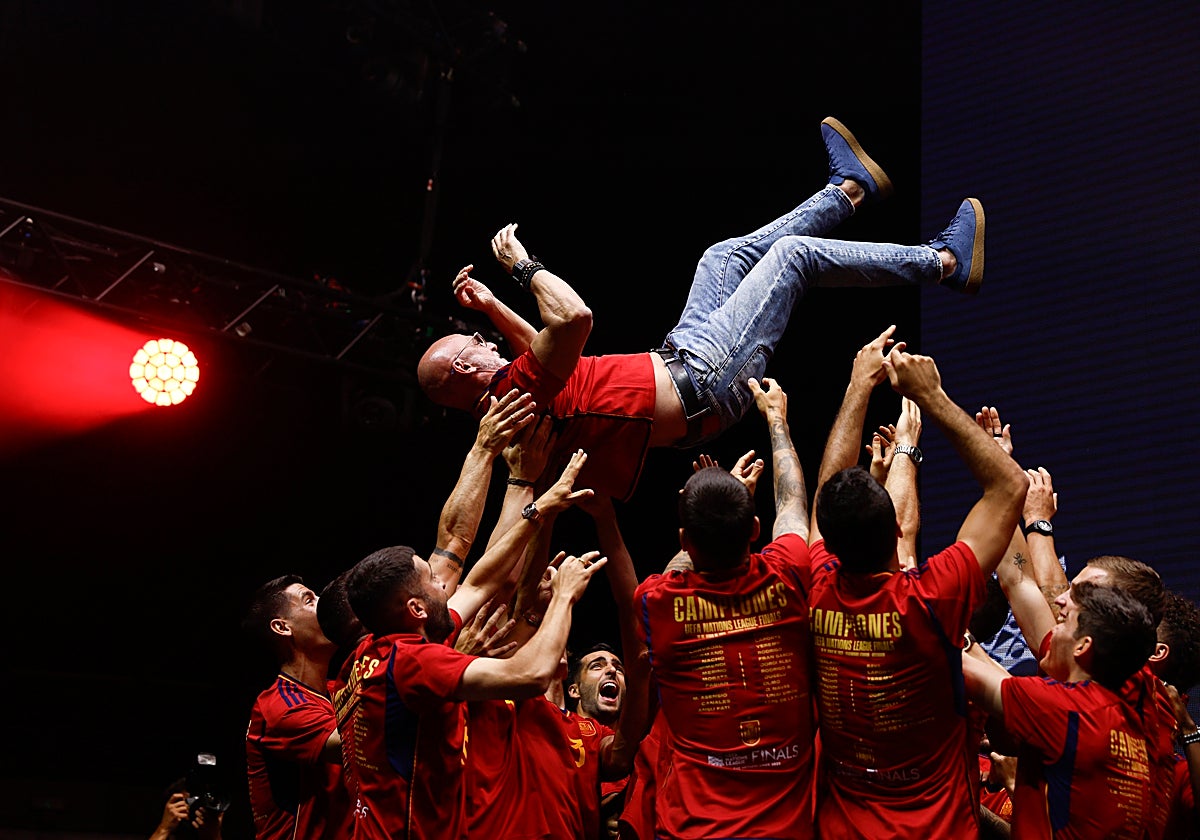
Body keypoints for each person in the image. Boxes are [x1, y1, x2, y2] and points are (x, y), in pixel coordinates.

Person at [417, 117, 986, 501]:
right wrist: (521, 267)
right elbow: (571, 322)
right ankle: (941, 261)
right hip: (706, 381)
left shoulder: (515, 398)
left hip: (688, 363)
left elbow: (548, 354)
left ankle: (849, 190)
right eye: (472, 344)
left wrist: (493, 306)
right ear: (465, 370)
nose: (483, 342)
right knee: (791, 258)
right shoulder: (513, 399)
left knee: (721, 258)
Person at [806, 334, 1027, 839]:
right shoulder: (931, 598)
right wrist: (932, 396)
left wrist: (857, 387)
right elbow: (1010, 487)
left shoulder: (815, 587)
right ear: (900, 531)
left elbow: (827, 492)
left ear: (829, 541)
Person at [338, 452, 603, 840]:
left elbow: (481, 582)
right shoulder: (414, 662)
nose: (446, 586)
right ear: (415, 608)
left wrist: (539, 509)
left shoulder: (377, 650)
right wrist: (563, 597)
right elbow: (531, 675)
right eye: (433, 581)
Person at [635, 375, 816, 838]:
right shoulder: (789, 569)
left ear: (684, 541)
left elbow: (677, 568)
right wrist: (777, 420)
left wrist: (710, 503)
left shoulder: (657, 602)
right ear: (755, 529)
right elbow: (793, 502)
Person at [963, 582, 1161, 838]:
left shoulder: (1069, 710)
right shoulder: (1136, 716)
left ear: (1083, 646)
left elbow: (960, 664)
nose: (1053, 627)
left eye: (1063, 622)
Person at [242, 575, 351, 840]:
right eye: (309, 599)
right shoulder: (278, 706)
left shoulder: (336, 689)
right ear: (282, 627)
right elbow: (356, 744)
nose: (324, 603)